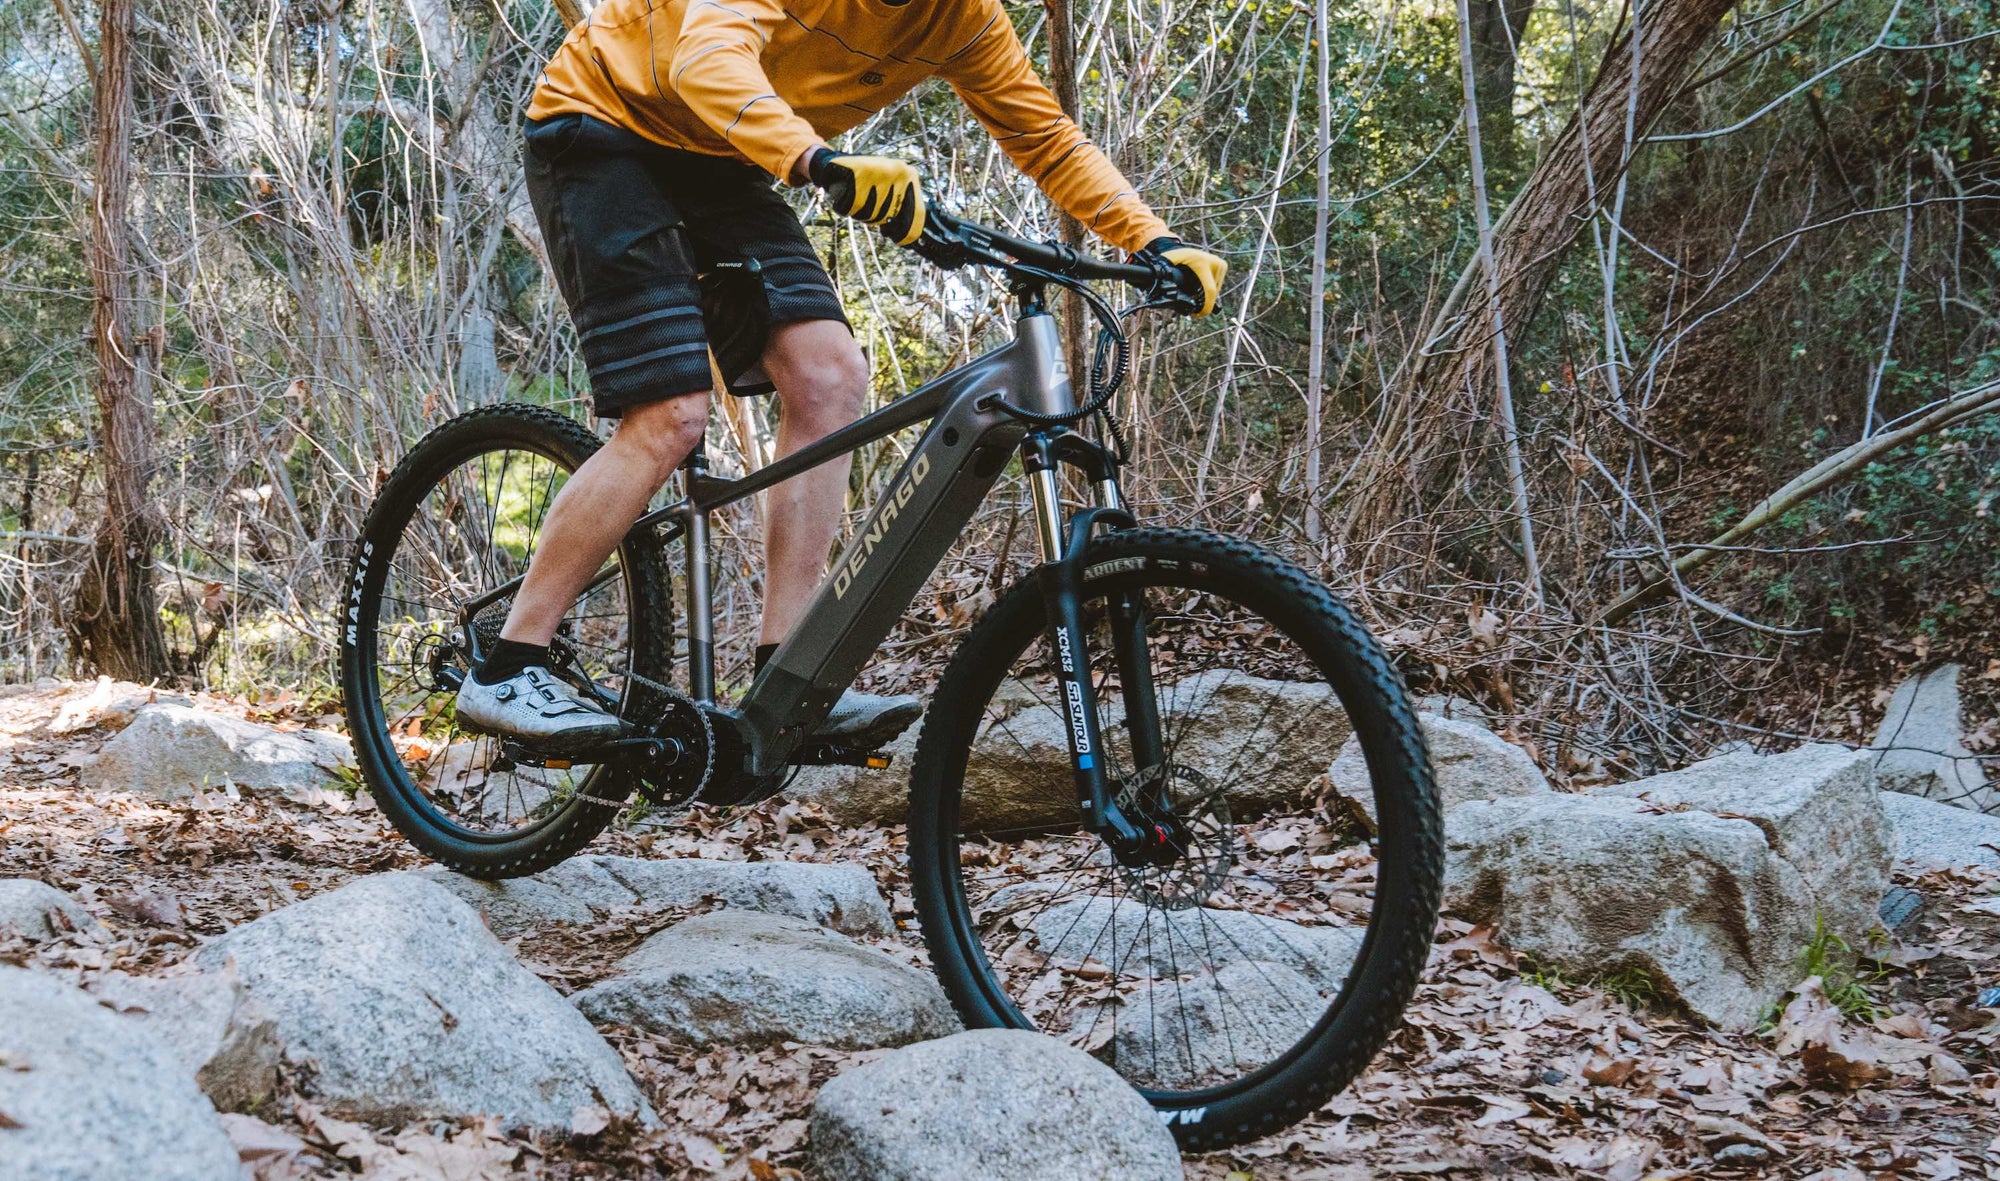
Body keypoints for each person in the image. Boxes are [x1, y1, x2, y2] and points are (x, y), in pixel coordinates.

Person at [455, 0, 1226, 753]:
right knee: (672, 416)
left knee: (830, 378)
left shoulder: (967, 18)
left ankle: (788, 670)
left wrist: (1152, 239)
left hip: (722, 157)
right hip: (603, 124)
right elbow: (705, 57)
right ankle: (512, 663)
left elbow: (1045, 136)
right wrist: (815, 159)